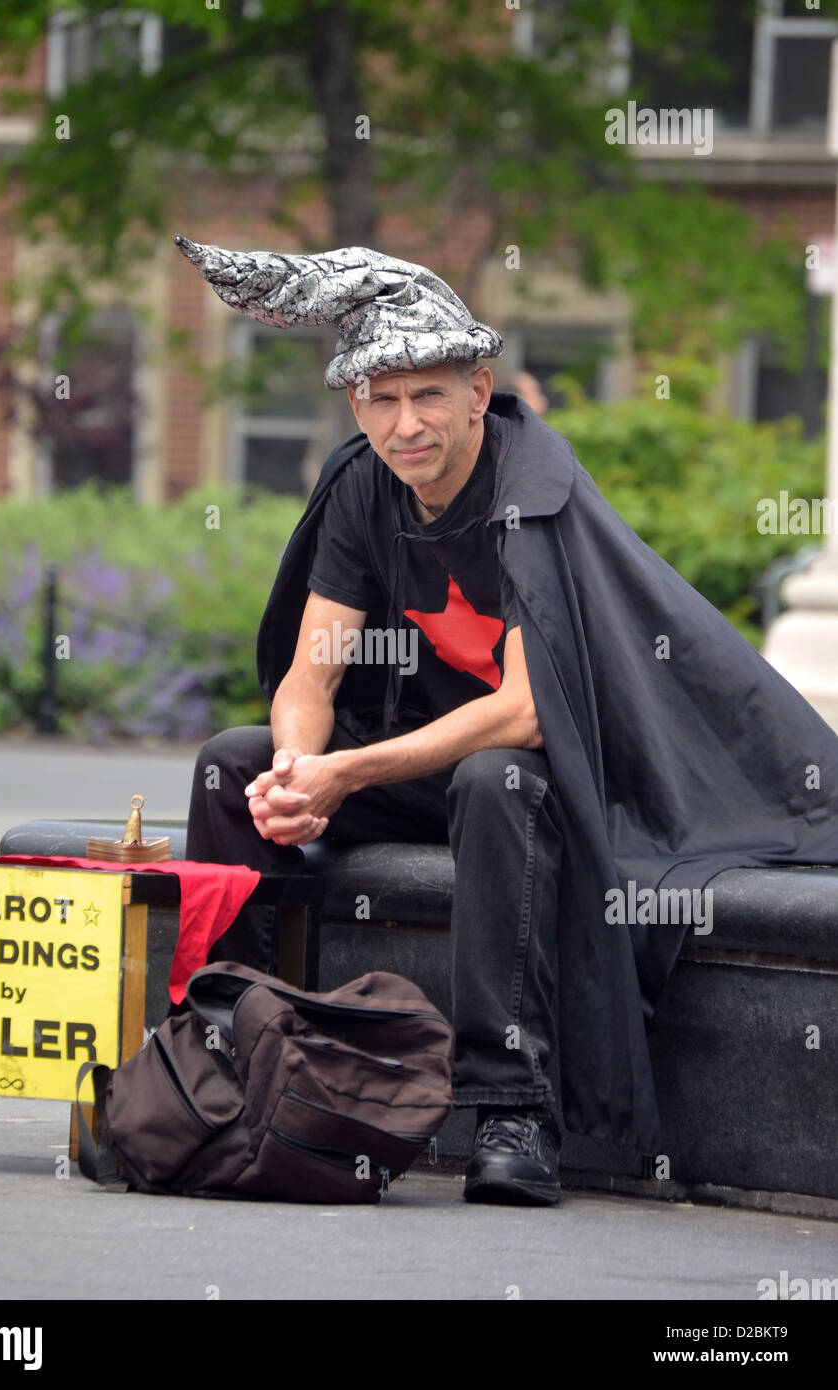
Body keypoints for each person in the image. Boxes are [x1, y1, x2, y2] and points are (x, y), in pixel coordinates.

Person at [176, 239, 838, 1207]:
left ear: (477, 388)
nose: (405, 424)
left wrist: (346, 776)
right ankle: (233, 1050)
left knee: (498, 777)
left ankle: (510, 1107)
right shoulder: (363, 484)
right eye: (381, 398)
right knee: (230, 764)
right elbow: (311, 669)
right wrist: (293, 771)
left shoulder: (531, 491)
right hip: (429, 759)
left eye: (428, 396)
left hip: (580, 777)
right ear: (354, 403)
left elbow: (528, 712)